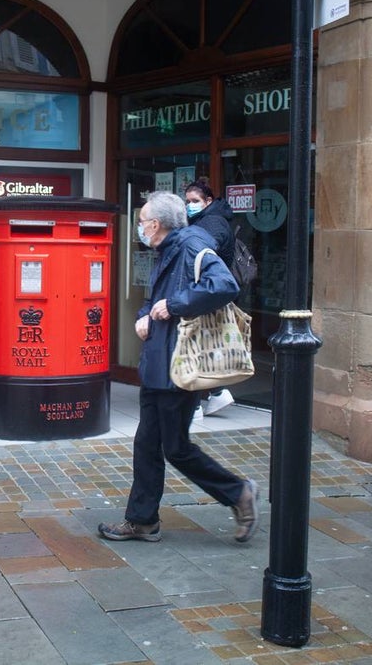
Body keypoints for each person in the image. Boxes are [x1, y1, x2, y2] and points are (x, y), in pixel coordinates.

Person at [98, 191, 259, 543]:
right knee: (147, 444)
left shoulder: (189, 246)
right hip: (160, 360)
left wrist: (173, 305)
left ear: (155, 224)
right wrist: (145, 316)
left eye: (141, 222)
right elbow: (155, 300)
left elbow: (224, 285)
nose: (139, 228)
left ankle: (238, 493)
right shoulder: (167, 249)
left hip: (179, 364)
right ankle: (142, 520)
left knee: (175, 448)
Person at [184, 181, 237, 418]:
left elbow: (201, 253)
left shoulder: (213, 223)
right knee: (204, 345)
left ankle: (194, 405)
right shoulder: (203, 221)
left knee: (193, 346)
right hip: (206, 292)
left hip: (207, 293)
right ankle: (217, 393)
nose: (190, 205)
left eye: (195, 201)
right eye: (187, 201)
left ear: (208, 201)